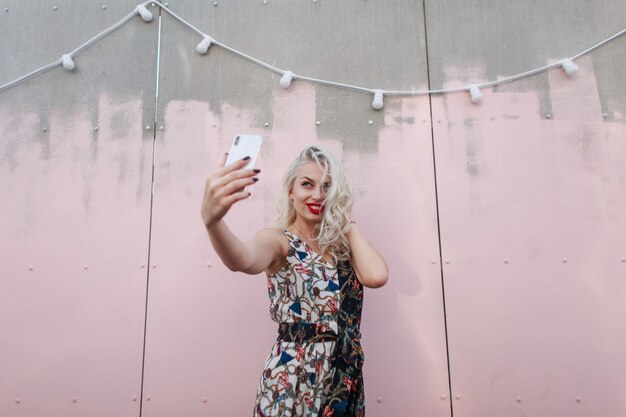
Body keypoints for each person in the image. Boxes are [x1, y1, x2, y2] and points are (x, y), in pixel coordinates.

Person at [201, 145, 388, 417]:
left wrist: (346, 221)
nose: (317, 195)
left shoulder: (343, 248)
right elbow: (242, 259)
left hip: (342, 378)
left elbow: (377, 276)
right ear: (291, 191)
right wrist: (213, 222)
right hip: (292, 380)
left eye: (327, 187)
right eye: (307, 184)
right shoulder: (279, 240)